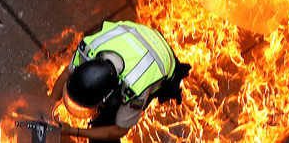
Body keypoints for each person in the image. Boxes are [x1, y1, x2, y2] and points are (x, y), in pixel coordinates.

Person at [50, 21, 191, 142]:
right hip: (138, 33)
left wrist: (74, 131)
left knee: (105, 121)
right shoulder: (89, 47)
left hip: (161, 59)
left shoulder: (136, 88)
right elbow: (67, 74)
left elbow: (118, 130)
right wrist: (47, 109)